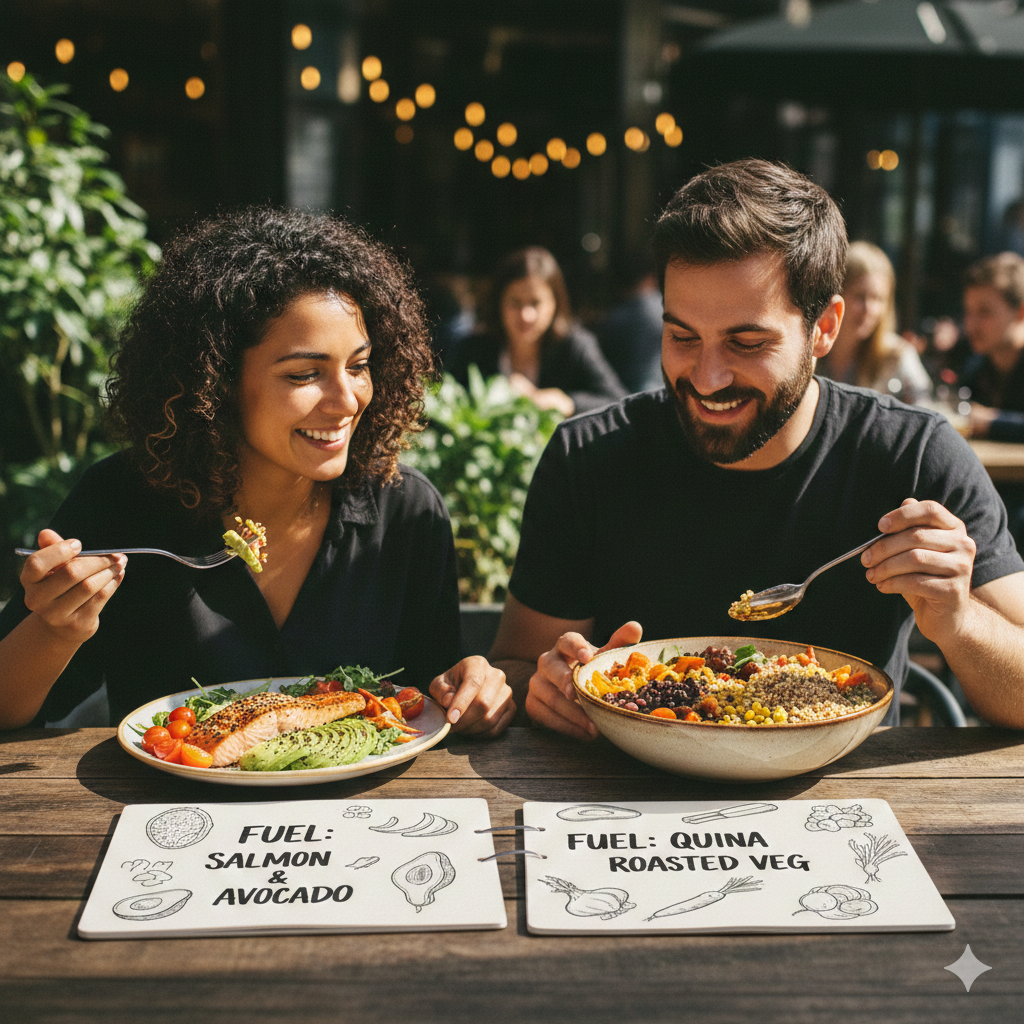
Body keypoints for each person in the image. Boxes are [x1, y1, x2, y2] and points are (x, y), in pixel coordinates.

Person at [487, 159, 1024, 737]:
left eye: (747, 342)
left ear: (824, 327)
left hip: (849, 805)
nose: (708, 377)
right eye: (682, 336)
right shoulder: (589, 456)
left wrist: (959, 621)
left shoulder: (915, 457)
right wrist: (542, 687)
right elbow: (518, 666)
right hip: (623, 801)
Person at [0, 206, 513, 735]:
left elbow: (428, 701)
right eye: (304, 374)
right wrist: (54, 629)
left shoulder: (406, 511)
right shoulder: (122, 501)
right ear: (214, 381)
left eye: (358, 367)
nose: (346, 401)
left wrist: (470, 685)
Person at [445, 246, 627, 416]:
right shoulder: (474, 349)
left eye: (536, 303)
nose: (526, 315)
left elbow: (619, 402)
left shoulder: (575, 346)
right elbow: (444, 402)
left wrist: (567, 402)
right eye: (515, 302)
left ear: (555, 304)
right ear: (499, 302)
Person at [815, 241, 932, 404]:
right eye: (860, 296)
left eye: (878, 299)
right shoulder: (812, 349)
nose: (869, 309)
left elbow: (926, 411)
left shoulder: (897, 356)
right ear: (837, 296)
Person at [959, 252, 1024, 442]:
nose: (971, 324)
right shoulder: (978, 366)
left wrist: (993, 421)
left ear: (1020, 313)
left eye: (984, 312)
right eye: (968, 311)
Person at [595, 254, 665, 394]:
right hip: (663, 393)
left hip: (626, 398)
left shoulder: (614, 318)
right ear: (651, 277)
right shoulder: (667, 309)